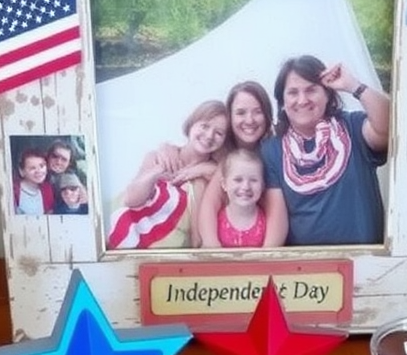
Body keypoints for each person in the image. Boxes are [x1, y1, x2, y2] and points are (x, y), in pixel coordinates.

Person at [260, 55, 390, 246]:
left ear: (328, 94)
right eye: (293, 92)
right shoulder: (272, 149)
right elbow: (277, 219)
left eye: (311, 90)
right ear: (282, 101)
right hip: (309, 269)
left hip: (365, 263)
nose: (302, 100)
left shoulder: (353, 127)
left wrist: (354, 85)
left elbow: (389, 126)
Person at [107, 99, 229, 249]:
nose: (209, 135)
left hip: (163, 255)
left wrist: (203, 169)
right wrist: (157, 172)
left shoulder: (209, 178)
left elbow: (197, 237)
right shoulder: (158, 156)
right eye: (204, 126)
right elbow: (131, 199)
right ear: (191, 124)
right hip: (122, 234)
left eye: (219, 133)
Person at [195, 80, 287, 248]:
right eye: (241, 112)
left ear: (267, 115)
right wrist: (212, 245)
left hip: (265, 252)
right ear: (230, 117)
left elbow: (277, 211)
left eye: (257, 112)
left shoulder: (273, 152)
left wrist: (266, 258)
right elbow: (210, 203)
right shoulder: (222, 151)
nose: (249, 120)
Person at [215, 147, 268, 248]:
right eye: (238, 180)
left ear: (263, 185)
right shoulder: (216, 221)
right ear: (224, 184)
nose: (246, 187)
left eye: (253, 180)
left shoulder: (268, 223)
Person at [12, 146, 55, 215]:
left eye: (42, 166)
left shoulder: (47, 189)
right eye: (32, 168)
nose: (38, 171)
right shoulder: (13, 191)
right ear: (21, 171)